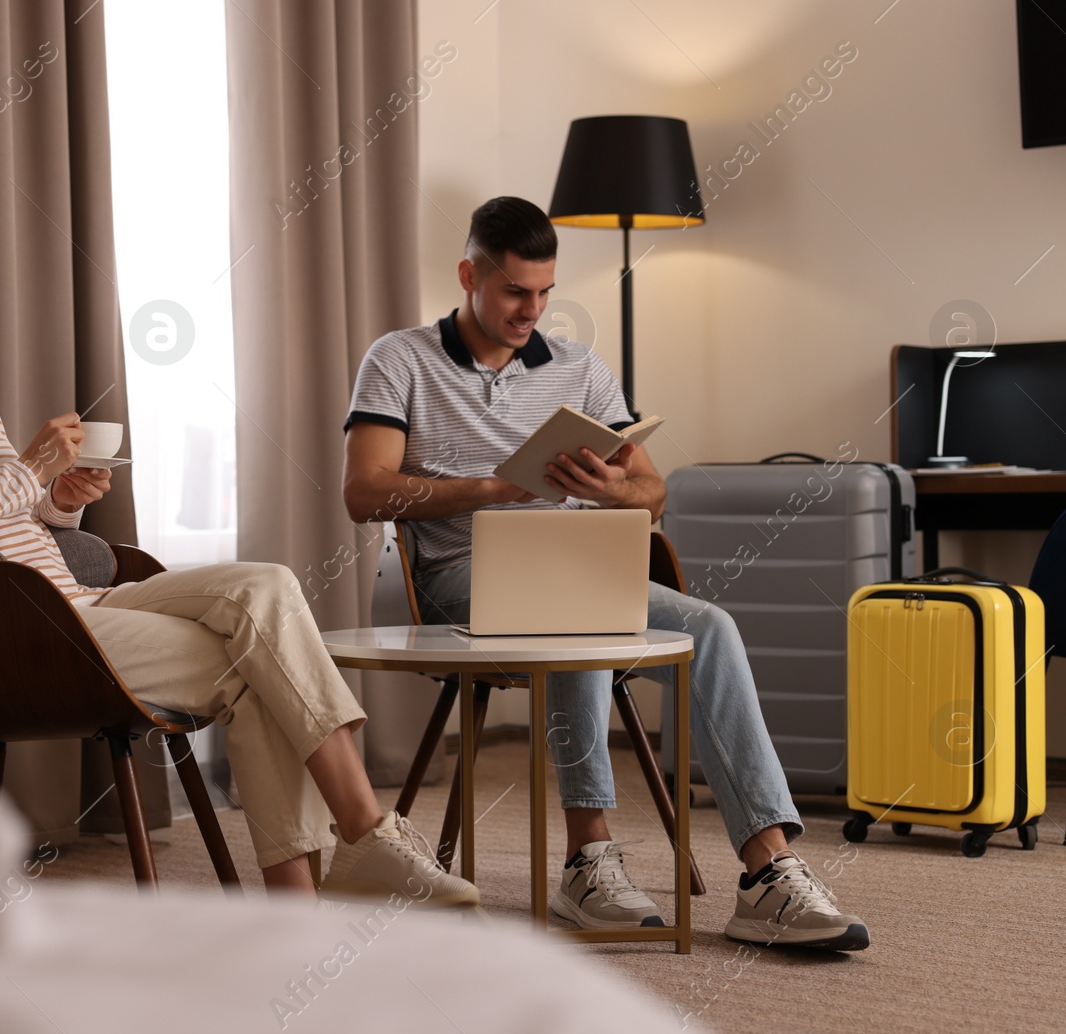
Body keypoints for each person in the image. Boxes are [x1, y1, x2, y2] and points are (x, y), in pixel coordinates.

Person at [0, 189, 476, 907]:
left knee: (267, 586)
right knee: (260, 666)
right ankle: (337, 869)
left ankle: (348, 857)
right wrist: (30, 467)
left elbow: (5, 517)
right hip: (5, 635)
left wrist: (56, 500)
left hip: (68, 601)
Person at [341, 196, 868, 950]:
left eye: (546, 292)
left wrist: (609, 488)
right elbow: (364, 491)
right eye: (515, 292)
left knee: (711, 627)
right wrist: (496, 489)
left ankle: (768, 873)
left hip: (572, 562)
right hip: (456, 577)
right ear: (468, 275)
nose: (533, 310)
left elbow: (653, 490)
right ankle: (587, 859)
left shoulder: (579, 367)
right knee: (576, 613)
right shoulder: (400, 360)